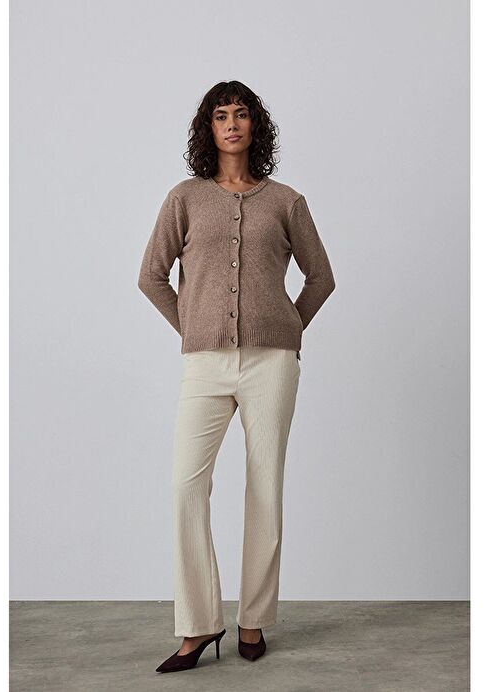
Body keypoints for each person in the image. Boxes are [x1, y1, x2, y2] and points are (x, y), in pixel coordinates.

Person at [138, 80, 336, 673]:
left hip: (272, 362)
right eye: (221, 115)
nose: (231, 124)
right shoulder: (184, 198)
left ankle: (254, 619)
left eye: (241, 114)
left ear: (256, 125)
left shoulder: (286, 201)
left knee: (264, 485)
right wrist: (194, 327)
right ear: (209, 128)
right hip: (205, 363)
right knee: (185, 486)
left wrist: (288, 326)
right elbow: (151, 276)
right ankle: (199, 623)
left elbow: (321, 277)